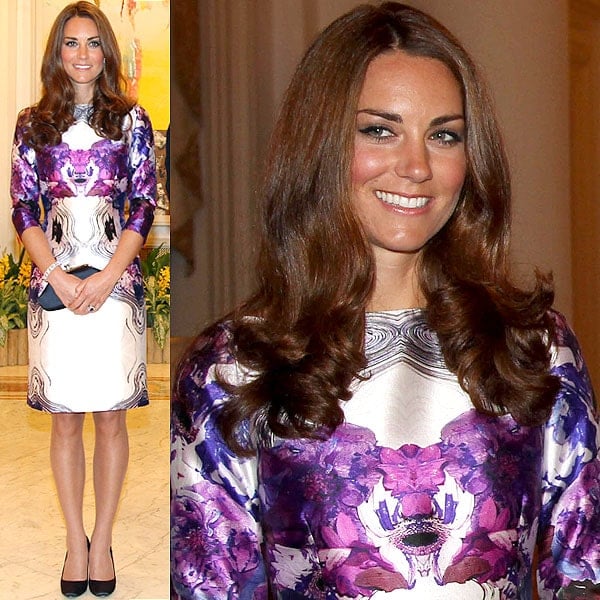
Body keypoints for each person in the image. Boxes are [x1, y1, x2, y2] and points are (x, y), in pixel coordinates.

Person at [170, 3, 600, 599]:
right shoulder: (234, 367)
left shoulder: (534, 348)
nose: (417, 166)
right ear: (319, 144)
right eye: (379, 129)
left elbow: (584, 573)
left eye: (444, 135)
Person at [10, 2, 156, 597]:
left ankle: (104, 536)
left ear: (107, 53)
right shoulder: (30, 123)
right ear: (57, 52)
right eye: (71, 43)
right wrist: (62, 278)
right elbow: (23, 207)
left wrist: (103, 278)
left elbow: (142, 205)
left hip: (115, 286)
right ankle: (75, 544)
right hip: (54, 287)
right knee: (66, 422)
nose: (82, 54)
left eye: (94, 43)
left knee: (111, 419)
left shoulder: (132, 121)